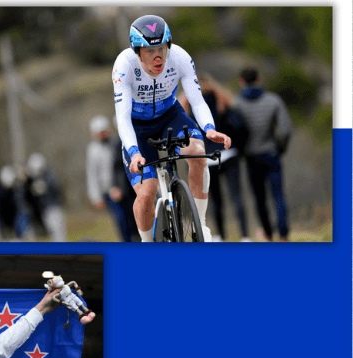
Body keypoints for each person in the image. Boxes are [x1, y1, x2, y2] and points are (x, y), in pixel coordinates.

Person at [112, 15, 231, 242]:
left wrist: (209, 129)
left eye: (162, 48)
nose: (158, 56)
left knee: (197, 152)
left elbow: (197, 101)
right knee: (147, 193)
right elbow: (123, 118)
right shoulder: (124, 66)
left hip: (170, 116)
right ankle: (147, 244)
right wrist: (134, 153)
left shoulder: (179, 57)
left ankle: (200, 224)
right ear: (137, 52)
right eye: (150, 51)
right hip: (137, 126)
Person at [179, 74, 250, 241]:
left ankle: (219, 236)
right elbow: (239, 126)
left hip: (206, 159)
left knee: (214, 200)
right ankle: (245, 236)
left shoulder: (188, 108)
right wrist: (239, 149)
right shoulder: (222, 102)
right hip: (228, 154)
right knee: (237, 196)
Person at [232, 67, 293, 241]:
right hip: (271, 153)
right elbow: (285, 129)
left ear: (241, 82)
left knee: (259, 199)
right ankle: (283, 235)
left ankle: (268, 234)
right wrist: (280, 148)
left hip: (251, 157)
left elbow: (234, 129)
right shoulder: (273, 100)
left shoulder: (237, 104)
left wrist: (241, 150)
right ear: (258, 79)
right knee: (278, 196)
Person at [85, 115, 137, 242]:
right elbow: (92, 174)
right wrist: (95, 197)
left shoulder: (116, 142)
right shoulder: (92, 150)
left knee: (133, 215)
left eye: (104, 131)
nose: (103, 135)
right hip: (108, 190)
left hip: (125, 186)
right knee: (120, 219)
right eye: (99, 133)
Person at [23, 152, 66, 242]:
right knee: (51, 234)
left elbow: (57, 190)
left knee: (58, 233)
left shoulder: (50, 177)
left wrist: (46, 187)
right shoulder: (31, 180)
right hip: (43, 211)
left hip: (54, 208)